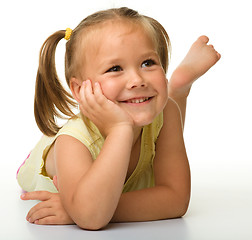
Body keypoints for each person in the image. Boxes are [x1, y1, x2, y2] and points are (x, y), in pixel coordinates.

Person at [17, 7, 221, 230]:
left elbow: (176, 200)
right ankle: (177, 90)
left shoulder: (166, 112)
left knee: (166, 110)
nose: (137, 79)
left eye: (148, 63)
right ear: (79, 88)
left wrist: (81, 208)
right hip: (44, 162)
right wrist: (120, 130)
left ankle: (177, 91)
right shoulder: (73, 142)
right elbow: (92, 218)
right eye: (115, 68)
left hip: (107, 179)